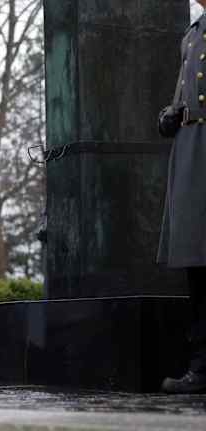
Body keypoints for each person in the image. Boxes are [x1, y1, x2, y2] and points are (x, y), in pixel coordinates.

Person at [158, 1, 206, 394]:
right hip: (191, 147)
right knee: (197, 264)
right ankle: (202, 369)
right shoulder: (191, 34)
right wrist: (170, 113)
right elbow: (184, 90)